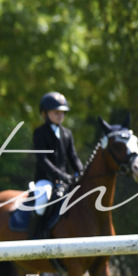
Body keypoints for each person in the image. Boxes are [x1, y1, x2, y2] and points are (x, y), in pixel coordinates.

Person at [29, 91, 84, 238]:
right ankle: (36, 233)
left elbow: (73, 157)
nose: (60, 116)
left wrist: (81, 171)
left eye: (62, 113)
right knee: (42, 199)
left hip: (65, 181)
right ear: (45, 114)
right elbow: (43, 160)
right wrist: (62, 176)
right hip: (45, 180)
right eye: (56, 112)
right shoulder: (40, 133)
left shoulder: (67, 133)